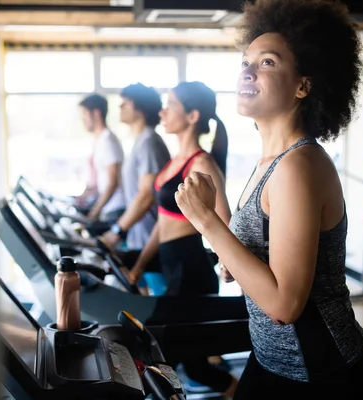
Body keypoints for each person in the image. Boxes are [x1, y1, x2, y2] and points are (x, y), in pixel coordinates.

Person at [174, 0, 363, 398]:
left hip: (322, 375)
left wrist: (208, 224)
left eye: (267, 62)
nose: (247, 72)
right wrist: (234, 256)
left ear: (303, 85)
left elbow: (285, 305)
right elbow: (267, 264)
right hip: (275, 359)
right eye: (245, 61)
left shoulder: (297, 166)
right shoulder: (270, 161)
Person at [124, 81, 237, 397]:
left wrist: (230, 262)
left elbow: (225, 221)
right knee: (185, 362)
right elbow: (163, 224)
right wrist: (140, 264)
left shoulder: (201, 163)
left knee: (173, 359)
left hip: (191, 271)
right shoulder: (174, 162)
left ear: (192, 116)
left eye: (170, 104)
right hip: (172, 264)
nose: (162, 111)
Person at [100, 83, 171, 253]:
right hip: (139, 235)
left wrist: (117, 231)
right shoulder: (141, 141)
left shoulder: (148, 142)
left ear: (140, 109)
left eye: (126, 102)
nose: (120, 106)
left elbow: (146, 195)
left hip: (149, 240)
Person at [75, 94, 126, 234]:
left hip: (115, 209)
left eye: (85, 114)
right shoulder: (99, 140)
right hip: (108, 207)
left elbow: (113, 181)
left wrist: (95, 211)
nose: (83, 120)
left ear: (96, 113)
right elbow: (101, 181)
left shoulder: (108, 140)